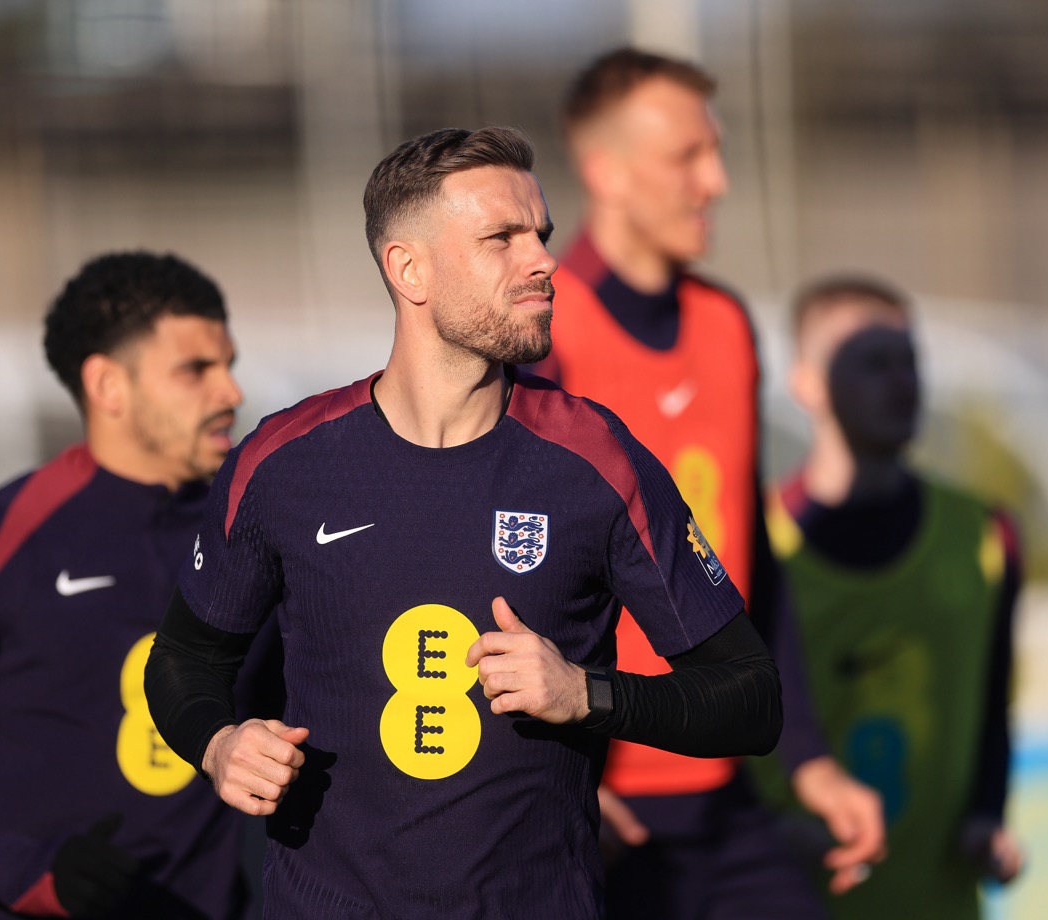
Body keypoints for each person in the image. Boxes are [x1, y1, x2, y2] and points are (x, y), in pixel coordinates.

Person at [144, 125, 784, 920]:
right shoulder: (282, 463)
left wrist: (587, 694)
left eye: (541, 235)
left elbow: (752, 698)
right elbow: (183, 660)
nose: (544, 261)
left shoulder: (598, 460)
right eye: (502, 238)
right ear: (408, 269)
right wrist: (217, 744)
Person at [537, 47, 886, 917]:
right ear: (605, 172)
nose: (718, 180)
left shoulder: (727, 325)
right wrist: (558, 776)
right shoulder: (547, 336)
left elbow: (745, 565)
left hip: (724, 792)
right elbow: (499, 571)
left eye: (716, 151)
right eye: (687, 156)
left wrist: (806, 756)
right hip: (598, 801)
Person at [0, 251, 252, 919]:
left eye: (229, 365)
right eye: (196, 370)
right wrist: (29, 874)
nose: (230, 391)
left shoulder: (250, 529)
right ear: (108, 386)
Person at [748, 274, 1023, 918]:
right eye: (873, 362)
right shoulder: (754, 546)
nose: (903, 382)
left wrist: (986, 819)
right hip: (793, 900)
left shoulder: (986, 536)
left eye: (910, 361)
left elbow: (992, 707)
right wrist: (770, 833)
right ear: (807, 385)